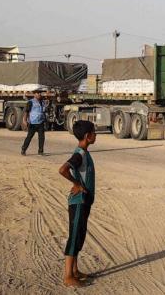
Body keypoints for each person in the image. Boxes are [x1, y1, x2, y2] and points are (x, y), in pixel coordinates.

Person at [58, 120, 97, 287]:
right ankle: (68, 276)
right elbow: (63, 169)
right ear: (88, 136)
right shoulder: (79, 154)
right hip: (78, 202)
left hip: (84, 202)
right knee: (74, 237)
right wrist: (77, 184)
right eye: (94, 133)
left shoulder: (84, 152)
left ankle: (74, 271)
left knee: (79, 235)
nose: (96, 135)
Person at [21, 91, 47, 155]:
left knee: (41, 137)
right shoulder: (30, 102)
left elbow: (43, 112)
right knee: (29, 137)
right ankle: (23, 149)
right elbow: (26, 112)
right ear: (34, 94)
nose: (39, 94)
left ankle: (40, 151)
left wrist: (45, 120)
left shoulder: (42, 102)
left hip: (41, 122)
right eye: (38, 93)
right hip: (33, 123)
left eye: (40, 93)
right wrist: (24, 120)